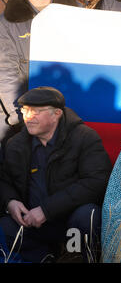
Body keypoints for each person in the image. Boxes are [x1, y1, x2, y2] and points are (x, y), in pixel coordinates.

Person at [0, 87, 112, 262]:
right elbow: (4, 180)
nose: (27, 117)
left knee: (88, 215)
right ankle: (44, 257)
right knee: (6, 226)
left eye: (35, 111)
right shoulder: (15, 144)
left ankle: (75, 257)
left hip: (69, 222)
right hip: (32, 224)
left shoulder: (85, 138)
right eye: (24, 110)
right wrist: (11, 201)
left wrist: (47, 210)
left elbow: (97, 182)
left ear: (56, 114)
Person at [0, 0, 77, 153]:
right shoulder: (7, 22)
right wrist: (22, 117)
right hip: (24, 113)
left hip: (69, 111)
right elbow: (6, 73)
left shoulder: (77, 14)